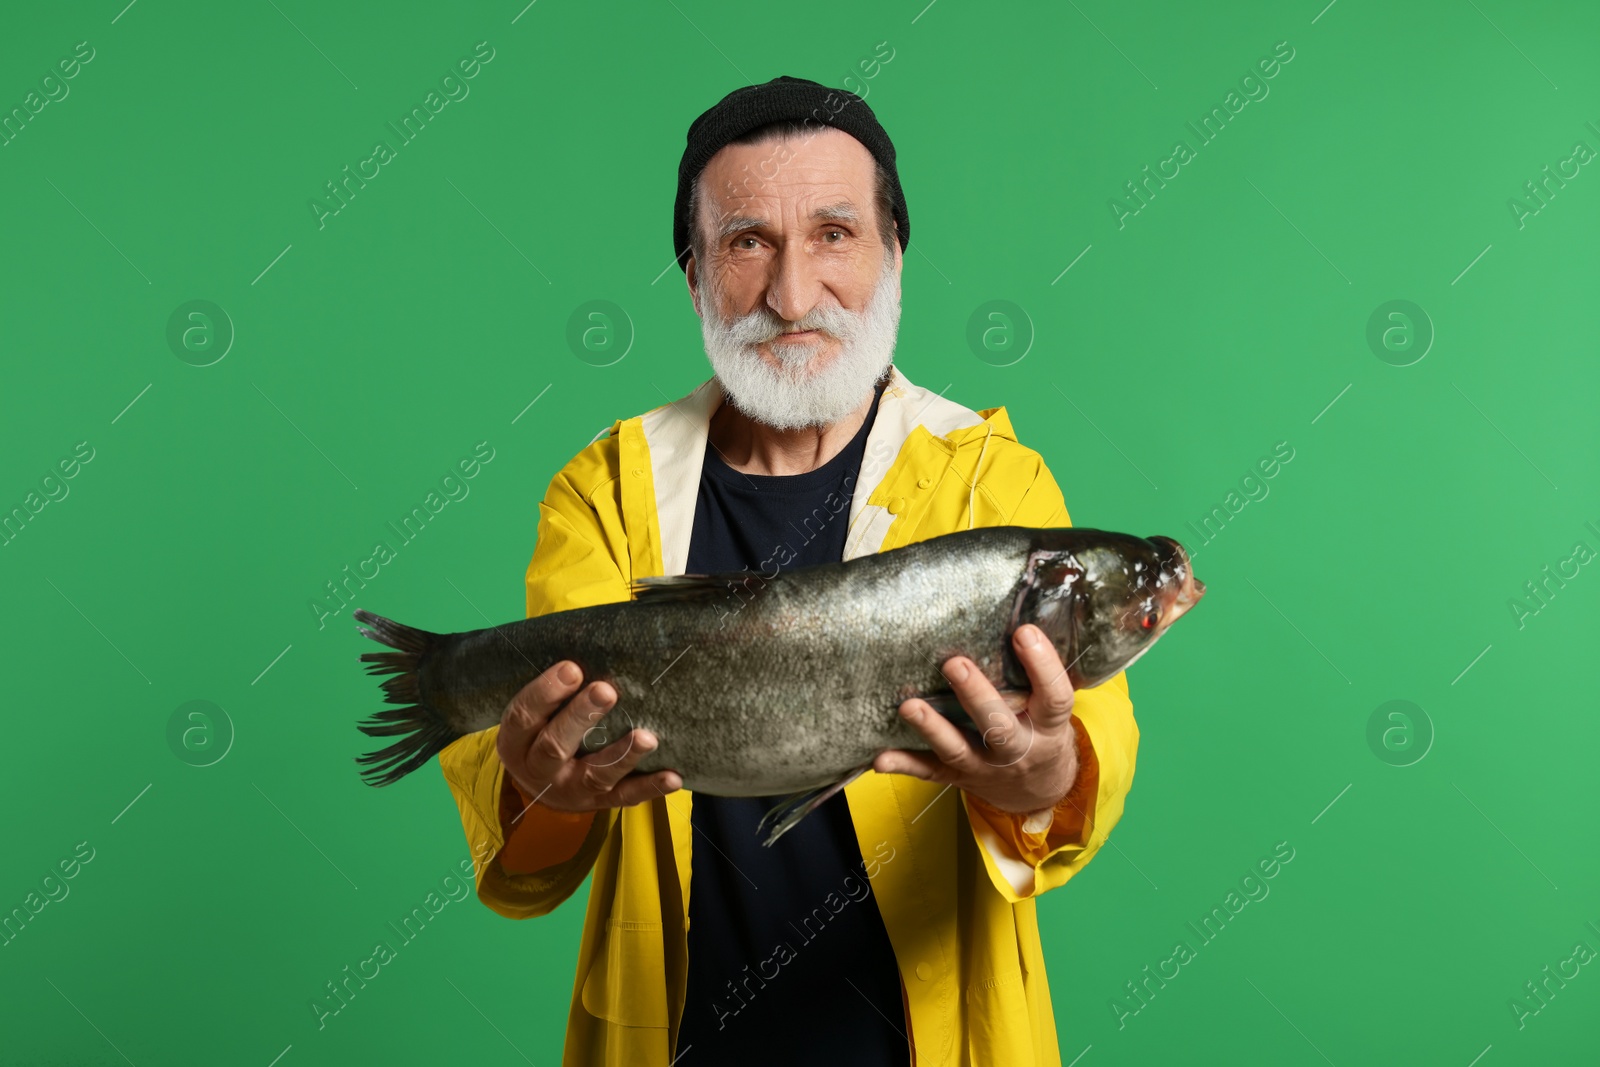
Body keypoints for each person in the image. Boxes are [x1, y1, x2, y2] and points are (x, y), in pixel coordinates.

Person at [438, 76, 1139, 1067]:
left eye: (834, 234)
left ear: (894, 256)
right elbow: (532, 858)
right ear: (694, 276)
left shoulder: (992, 478)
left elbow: (1080, 773)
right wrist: (549, 788)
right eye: (746, 242)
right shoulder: (602, 489)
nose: (792, 293)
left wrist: (1039, 773)